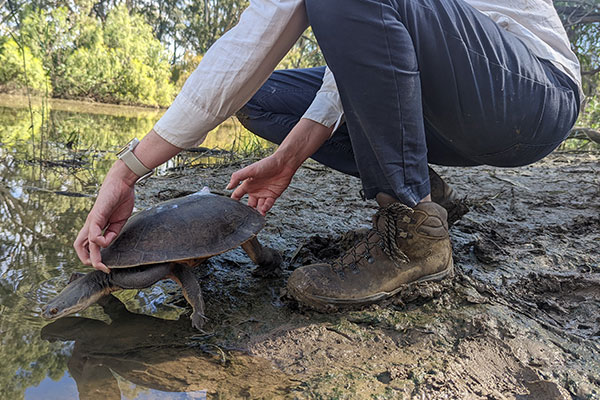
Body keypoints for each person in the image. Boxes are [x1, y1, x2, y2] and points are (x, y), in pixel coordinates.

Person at [74, 0, 581, 310]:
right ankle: (428, 196)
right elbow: (352, 64)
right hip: (434, 100)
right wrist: (287, 159)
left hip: (528, 94)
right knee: (259, 96)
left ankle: (412, 240)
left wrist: (130, 169)